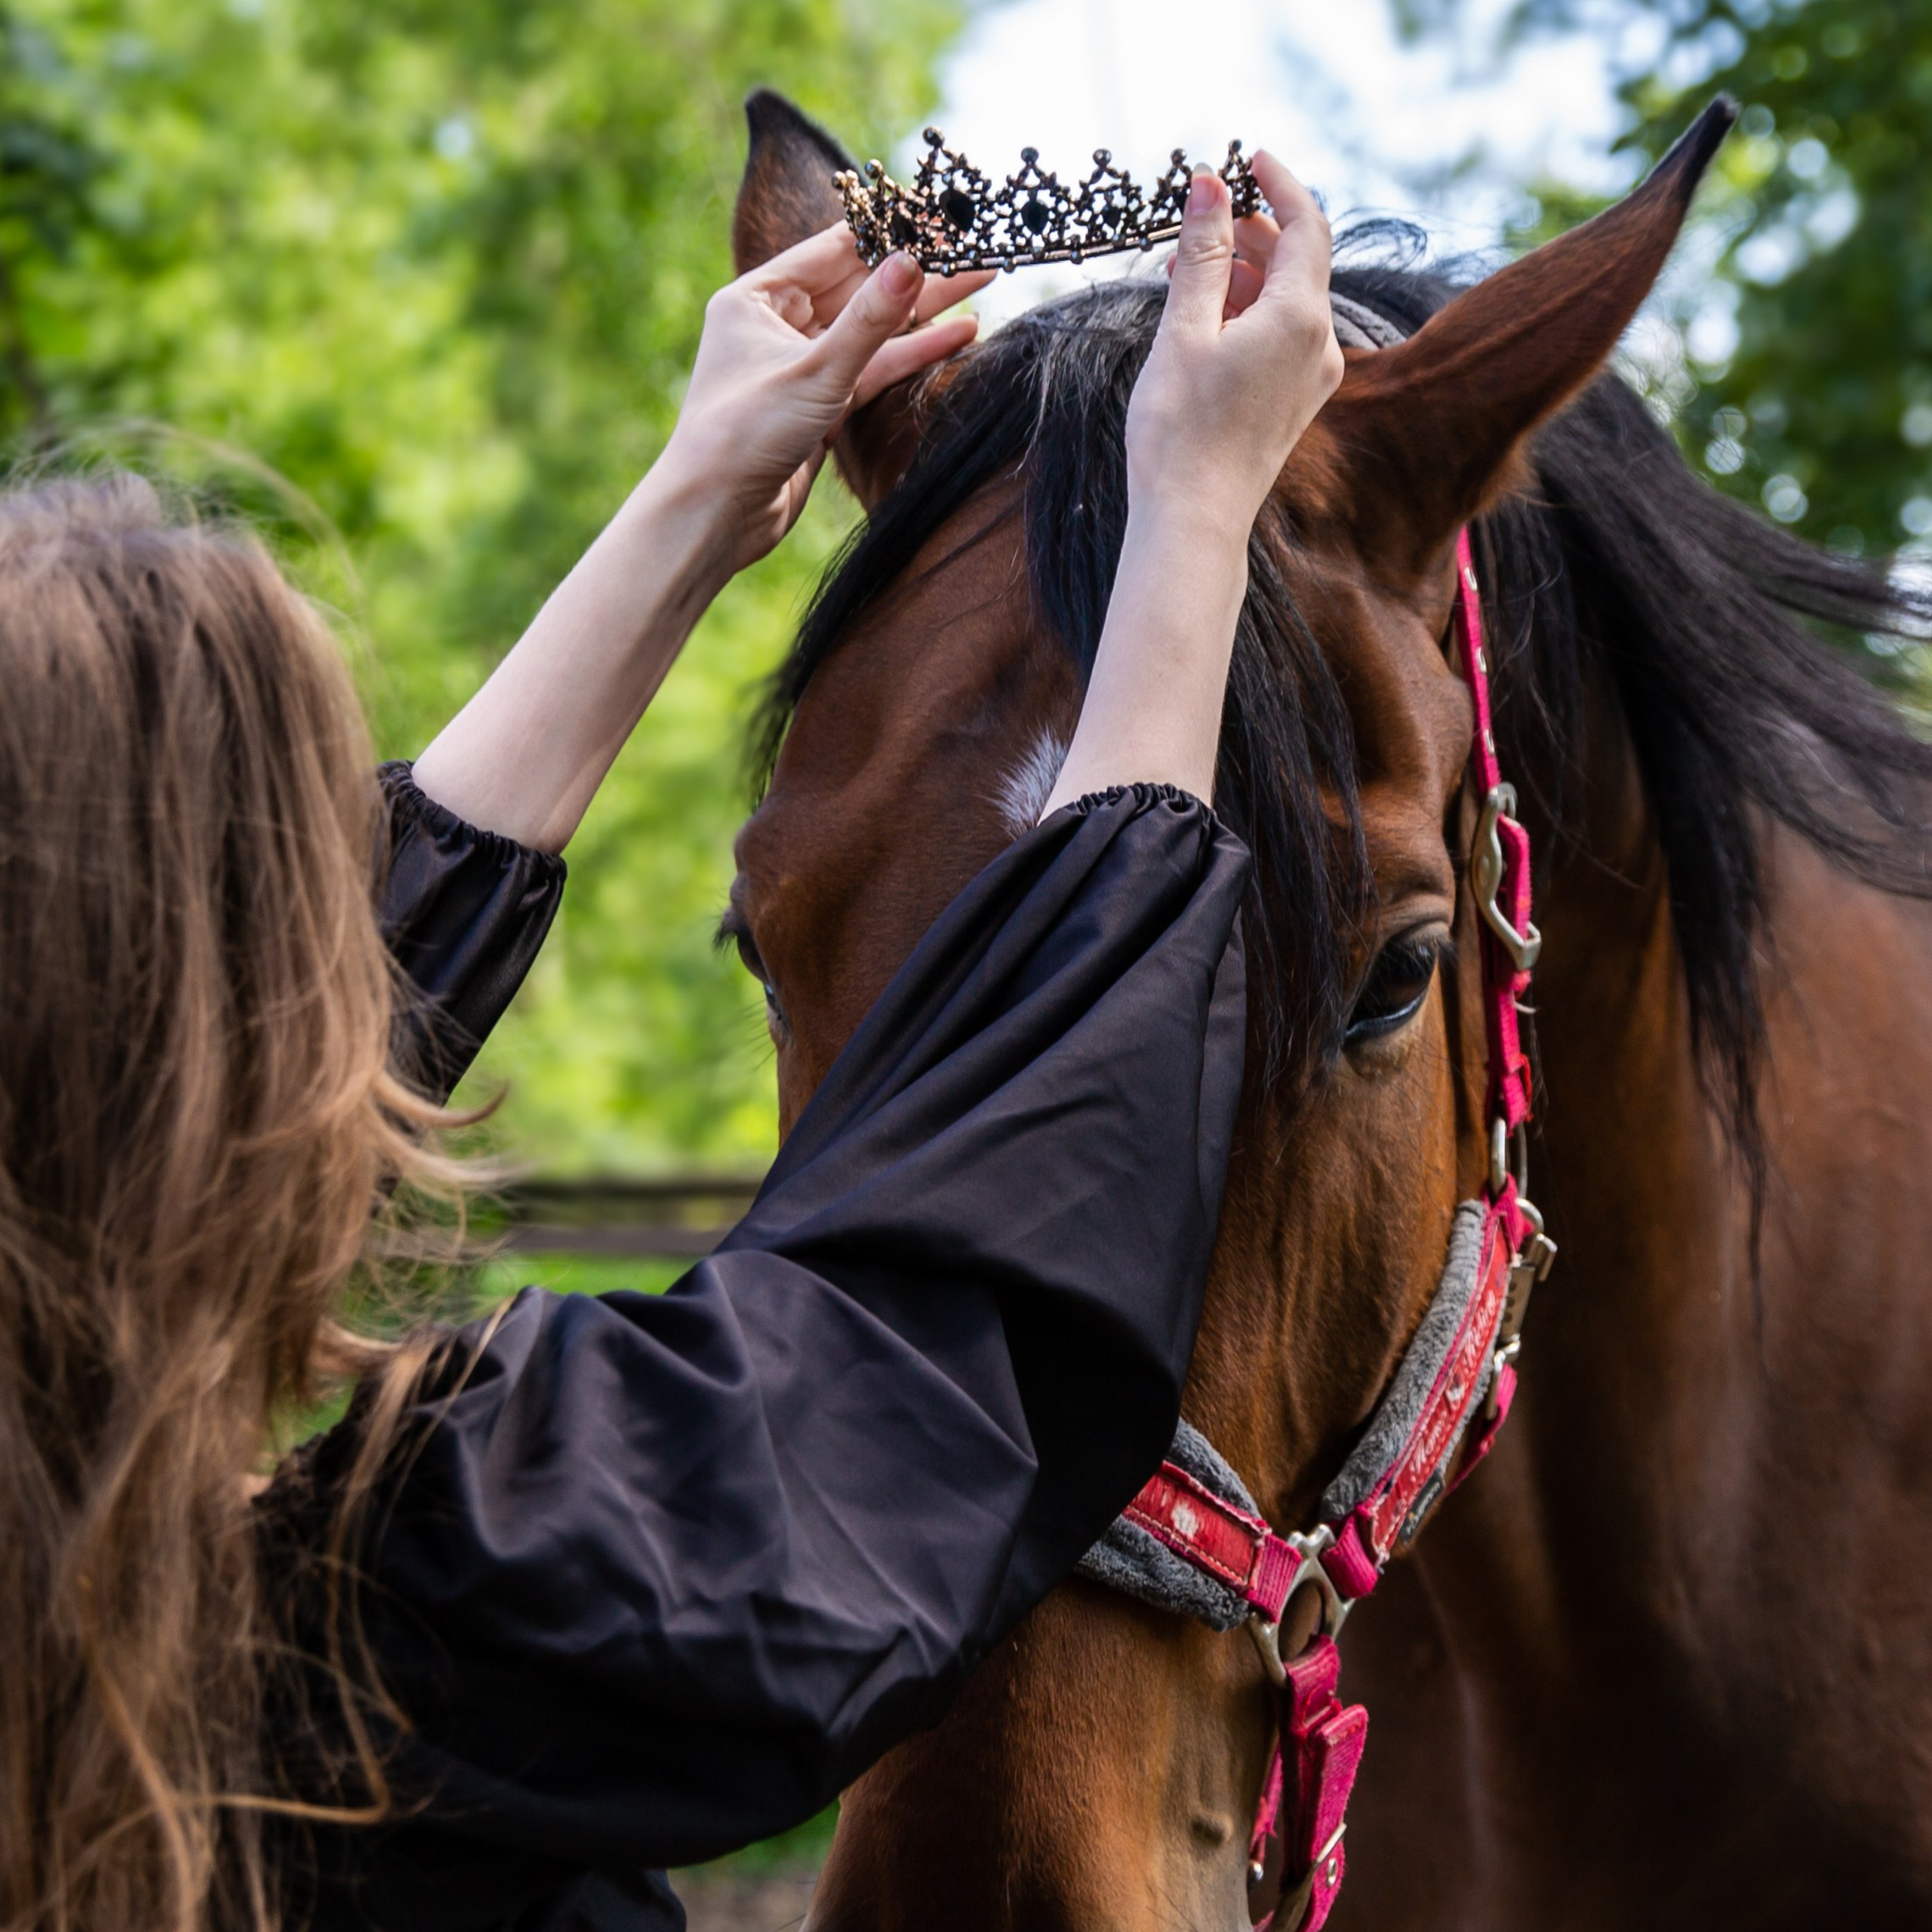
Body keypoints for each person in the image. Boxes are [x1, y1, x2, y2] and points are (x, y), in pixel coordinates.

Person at [0, 155, 1342, 1932]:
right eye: (312, 856)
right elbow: (944, 1337)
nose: (349, 911)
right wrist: (1190, 517)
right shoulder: (393, 1638)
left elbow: (235, 1051)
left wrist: (696, 494)